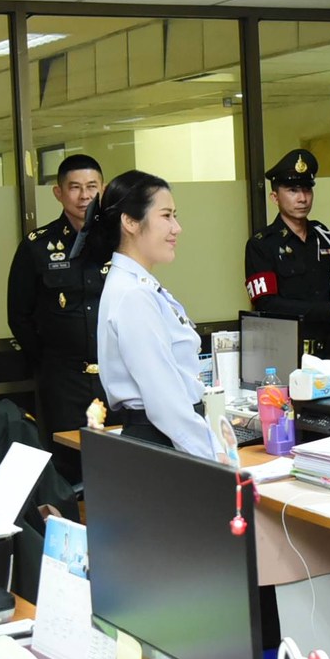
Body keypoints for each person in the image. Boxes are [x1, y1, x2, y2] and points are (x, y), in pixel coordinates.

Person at [91, 170, 224, 464]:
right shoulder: (133, 294)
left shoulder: (138, 285)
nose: (177, 228)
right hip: (159, 440)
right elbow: (165, 401)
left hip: (165, 438)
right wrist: (213, 457)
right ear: (130, 222)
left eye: (175, 216)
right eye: (166, 216)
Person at [5, 153, 108, 470]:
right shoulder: (37, 246)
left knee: (119, 465)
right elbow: (19, 315)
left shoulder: (120, 240)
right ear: (58, 193)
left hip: (116, 378)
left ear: (102, 189)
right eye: (75, 187)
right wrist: (50, 361)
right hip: (63, 382)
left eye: (92, 186)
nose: (84, 195)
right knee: (67, 465)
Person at [244, 150, 330, 360]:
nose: (302, 198)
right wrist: (328, 309)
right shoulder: (262, 244)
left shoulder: (323, 235)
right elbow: (267, 305)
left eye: (307, 189)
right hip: (288, 356)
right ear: (275, 197)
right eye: (293, 190)